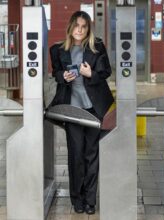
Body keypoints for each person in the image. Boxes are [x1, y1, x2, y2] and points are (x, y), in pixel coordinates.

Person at [49, 11, 114, 215]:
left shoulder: (96, 47)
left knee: (91, 155)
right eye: (76, 25)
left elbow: (106, 72)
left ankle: (90, 200)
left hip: (93, 109)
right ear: (70, 27)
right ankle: (77, 198)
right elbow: (55, 73)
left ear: (88, 29)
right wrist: (63, 76)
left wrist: (90, 74)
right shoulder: (58, 50)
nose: (79, 29)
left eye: (84, 26)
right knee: (76, 156)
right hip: (72, 110)